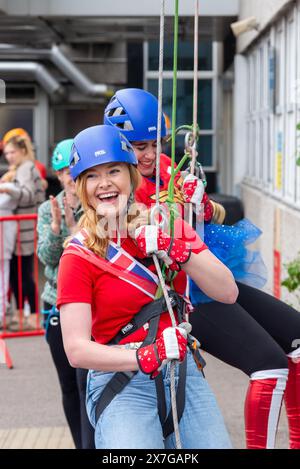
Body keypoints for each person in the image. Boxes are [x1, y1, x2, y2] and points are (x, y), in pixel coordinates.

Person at [104, 87, 300, 449]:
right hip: (178, 296)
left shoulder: (166, 166)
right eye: (138, 146)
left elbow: (212, 215)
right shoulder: (118, 184)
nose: (149, 154)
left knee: (297, 338)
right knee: (269, 365)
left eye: (155, 144)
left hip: (207, 276)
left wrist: (199, 202)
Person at [56, 124, 237, 449]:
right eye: (93, 176)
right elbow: (76, 350)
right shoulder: (78, 255)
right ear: (82, 187)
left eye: (114, 170)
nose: (106, 183)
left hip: (183, 376)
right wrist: (144, 356)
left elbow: (227, 291)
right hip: (121, 383)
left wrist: (176, 248)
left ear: (131, 175)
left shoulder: (164, 222)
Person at [37, 139, 94, 449]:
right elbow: (45, 257)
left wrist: (75, 232)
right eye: (62, 172)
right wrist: (60, 229)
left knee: (90, 381)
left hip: (91, 304)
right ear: (58, 177)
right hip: (56, 302)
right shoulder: (49, 208)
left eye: (73, 169)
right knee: (70, 385)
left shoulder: (96, 203)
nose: (69, 177)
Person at [1, 133, 45, 330]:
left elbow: (27, 196)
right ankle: (22, 316)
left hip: (25, 228)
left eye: (12, 152)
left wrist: (8, 189)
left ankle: (32, 317)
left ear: (23, 150)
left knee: (24, 273)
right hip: (20, 228)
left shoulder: (27, 167)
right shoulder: (20, 167)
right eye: (6, 152)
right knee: (16, 274)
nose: (9, 156)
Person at [0, 168, 18, 329]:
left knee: (3, 279)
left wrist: (5, 186)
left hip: (4, 243)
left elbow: (14, 191)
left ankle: (2, 313)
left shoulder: (9, 194)